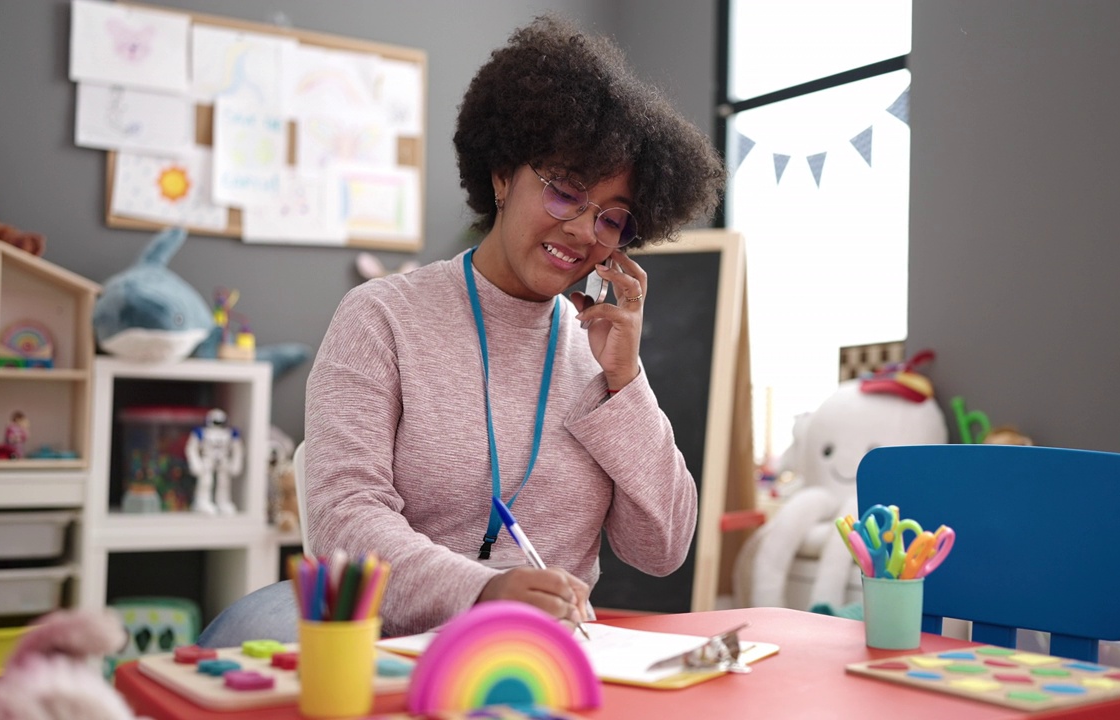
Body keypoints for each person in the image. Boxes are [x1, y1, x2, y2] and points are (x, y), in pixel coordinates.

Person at [198, 14, 725, 646]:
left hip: (545, 659)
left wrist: (625, 383)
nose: (587, 231)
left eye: (613, 218)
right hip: (393, 646)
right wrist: (481, 592)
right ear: (503, 176)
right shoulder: (381, 317)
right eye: (564, 192)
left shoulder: (598, 350)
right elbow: (345, 518)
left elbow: (662, 548)